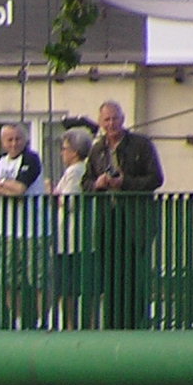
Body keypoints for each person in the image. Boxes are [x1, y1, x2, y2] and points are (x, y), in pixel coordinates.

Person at [82, 100, 165, 327]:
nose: (111, 124)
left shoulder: (141, 144)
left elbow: (156, 178)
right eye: (106, 119)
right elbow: (85, 183)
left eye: (115, 118)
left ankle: (135, 322)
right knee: (110, 274)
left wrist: (124, 183)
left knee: (134, 273)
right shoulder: (97, 149)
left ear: (123, 119)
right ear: (100, 122)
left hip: (136, 220)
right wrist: (98, 183)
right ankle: (112, 323)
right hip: (107, 220)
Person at [0, 122, 46, 327]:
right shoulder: (0, 162)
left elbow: (20, 188)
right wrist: (5, 187)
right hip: (8, 229)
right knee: (9, 278)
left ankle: (41, 321)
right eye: (9, 139)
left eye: (17, 138)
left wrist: (0, 185)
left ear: (25, 139)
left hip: (34, 230)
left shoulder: (31, 159)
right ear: (2, 142)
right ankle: (15, 321)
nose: (14, 143)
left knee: (38, 277)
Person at [53, 126, 94, 329]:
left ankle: (72, 325)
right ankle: (77, 323)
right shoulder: (80, 170)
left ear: (75, 152)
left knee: (68, 287)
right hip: (72, 238)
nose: (62, 152)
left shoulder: (75, 171)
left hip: (71, 239)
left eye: (65, 148)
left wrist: (51, 194)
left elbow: (70, 202)